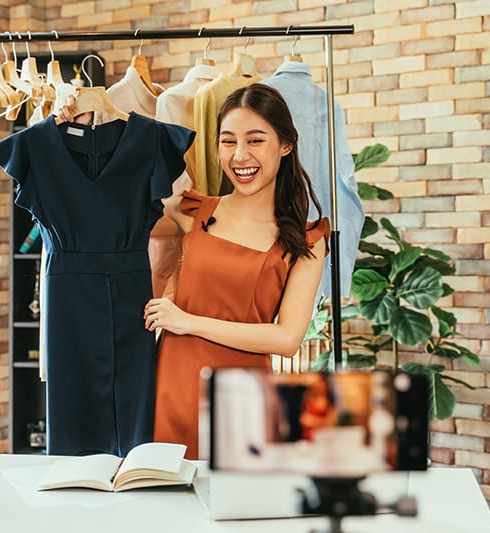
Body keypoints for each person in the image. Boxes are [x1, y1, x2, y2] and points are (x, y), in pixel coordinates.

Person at [59, 83, 329, 460]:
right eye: (228, 141)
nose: (240, 156)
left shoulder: (307, 239)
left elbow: (286, 338)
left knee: (233, 509)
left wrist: (187, 322)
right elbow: (104, 215)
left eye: (255, 141)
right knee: (164, 503)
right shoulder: (194, 211)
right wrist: (79, 134)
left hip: (243, 396)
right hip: (172, 384)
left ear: (285, 145)